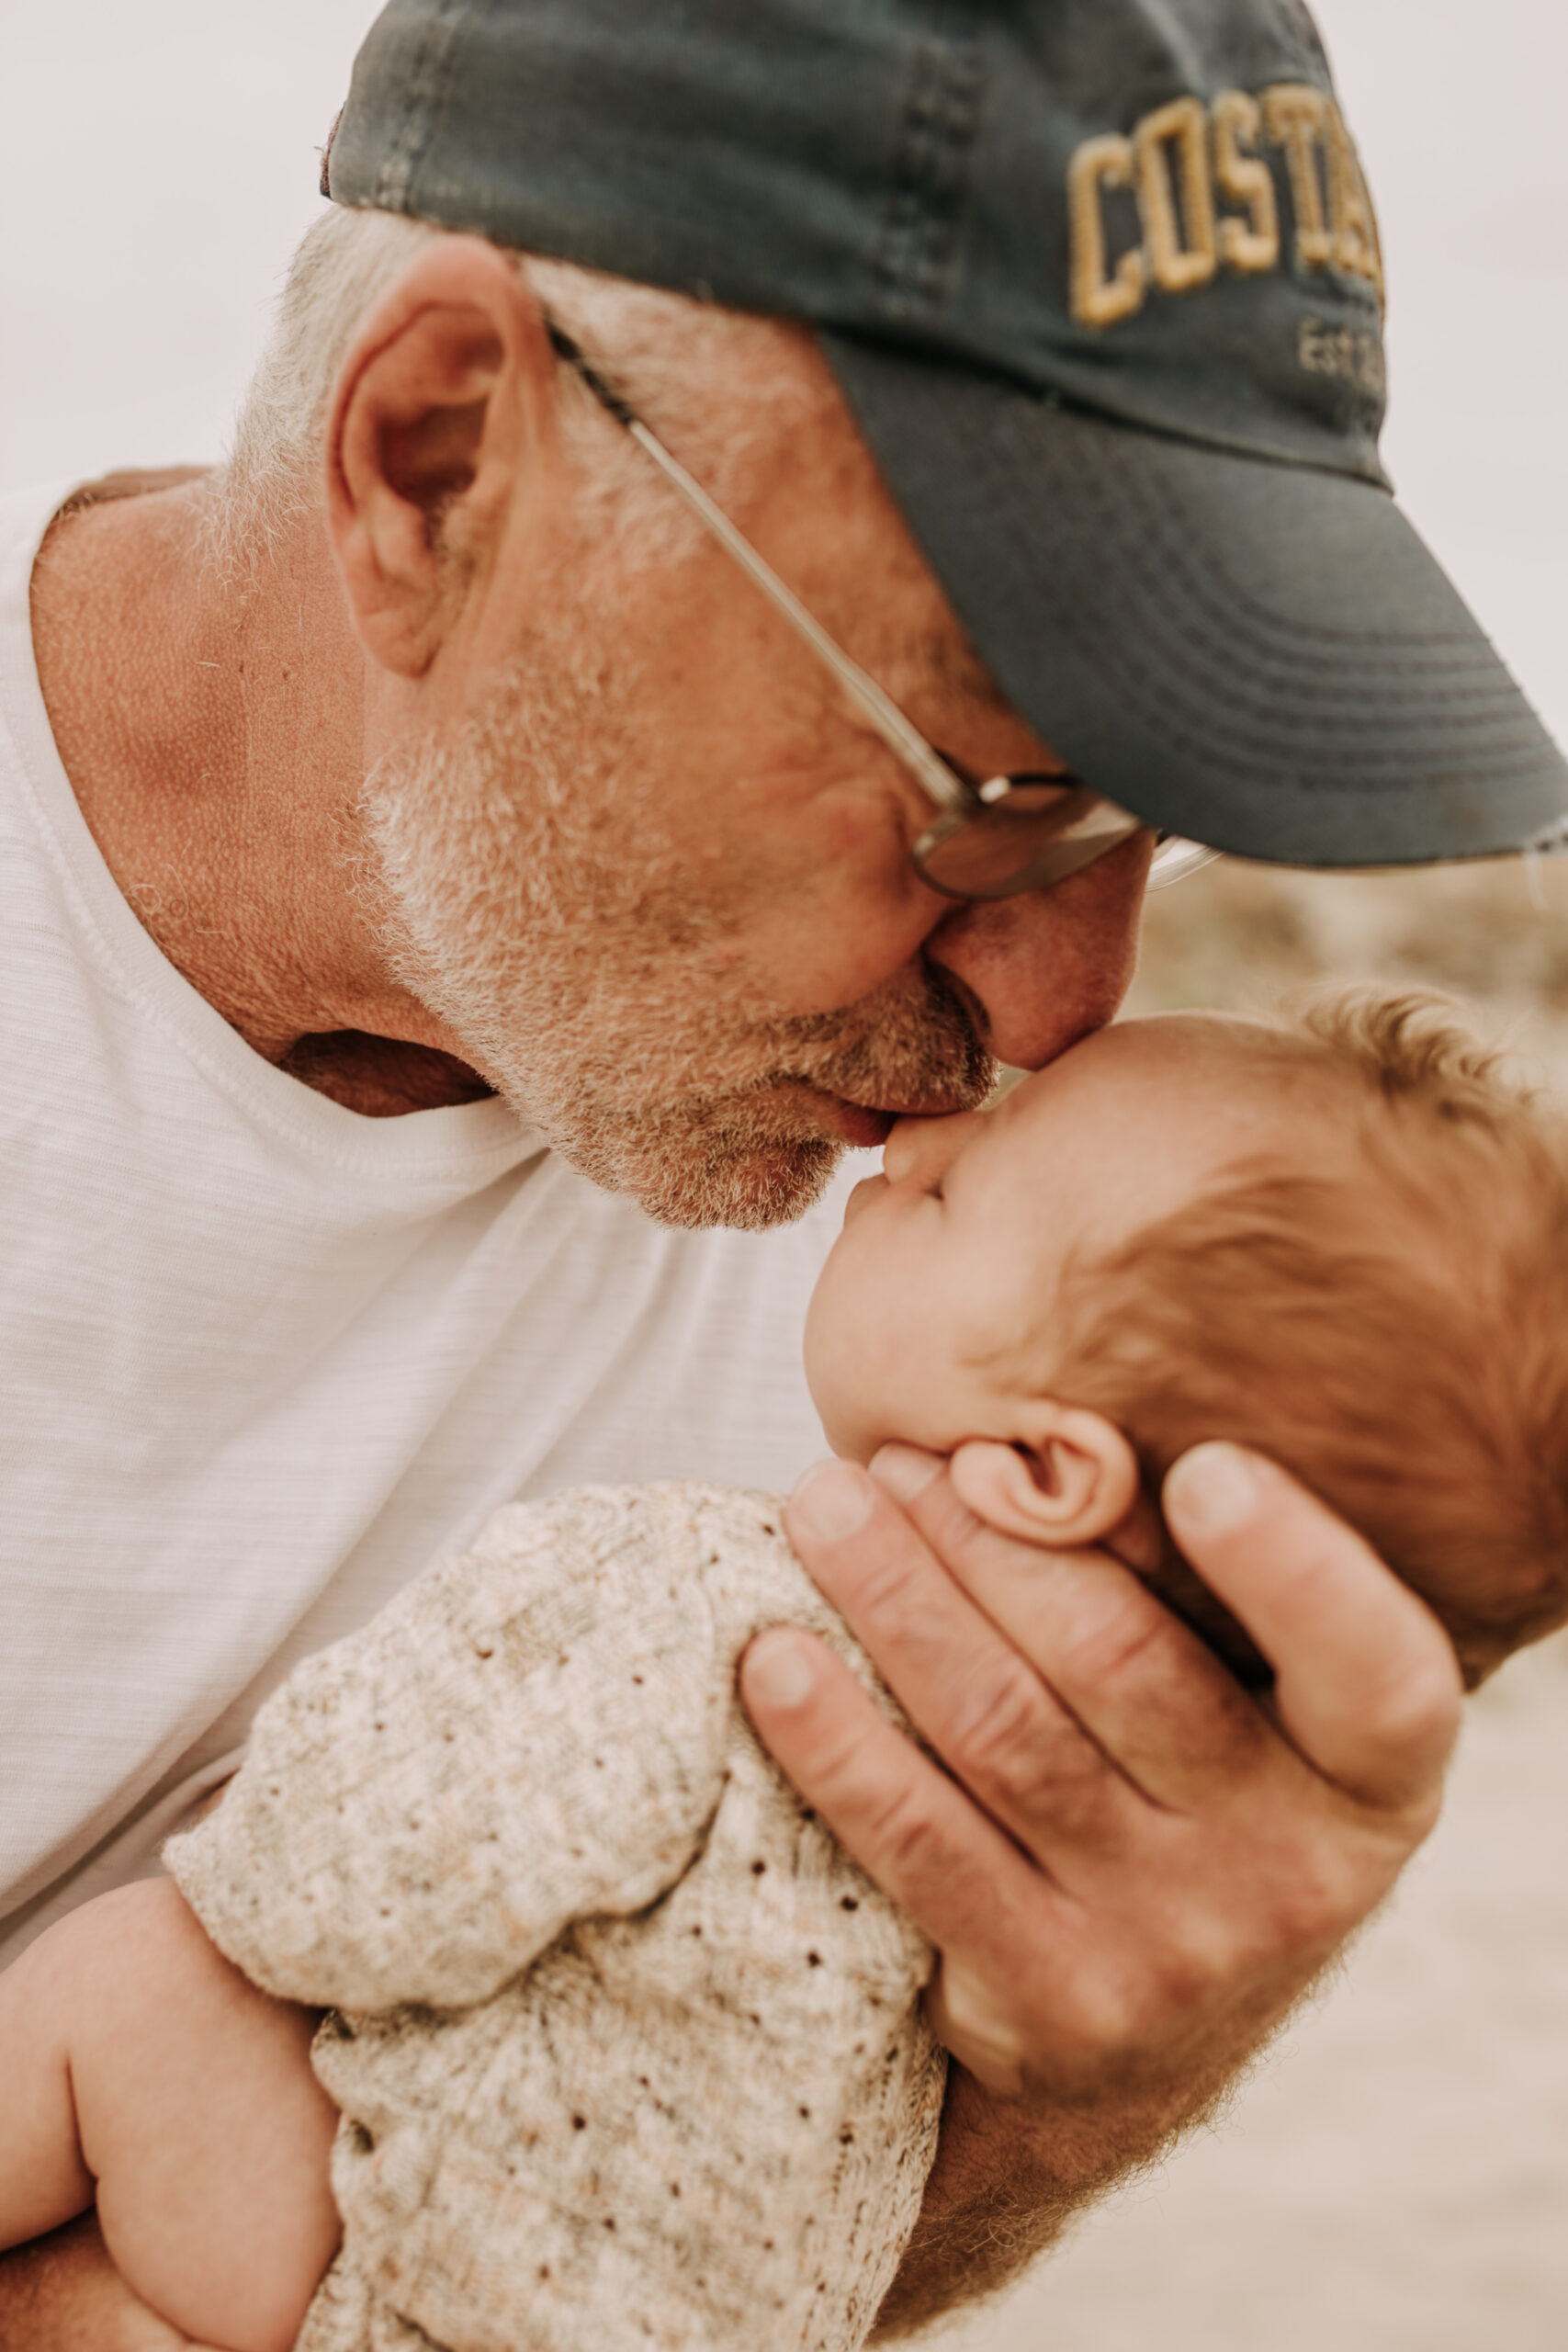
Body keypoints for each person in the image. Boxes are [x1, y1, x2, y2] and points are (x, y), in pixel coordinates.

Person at [5, 0, 1566, 2339]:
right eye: (998, 794)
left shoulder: (961, 1331)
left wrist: (1061, 2065)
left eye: (1150, 821)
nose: (1052, 1020)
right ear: (433, 460)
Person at [7, 989, 1568, 2352]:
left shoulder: (710, 1595)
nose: (913, 1144)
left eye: (966, 1194)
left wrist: (261, 1818)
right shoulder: (1024, 1845)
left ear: (1041, 1467)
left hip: (375, 2281)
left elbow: (384, 1876)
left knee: (150, 1972)